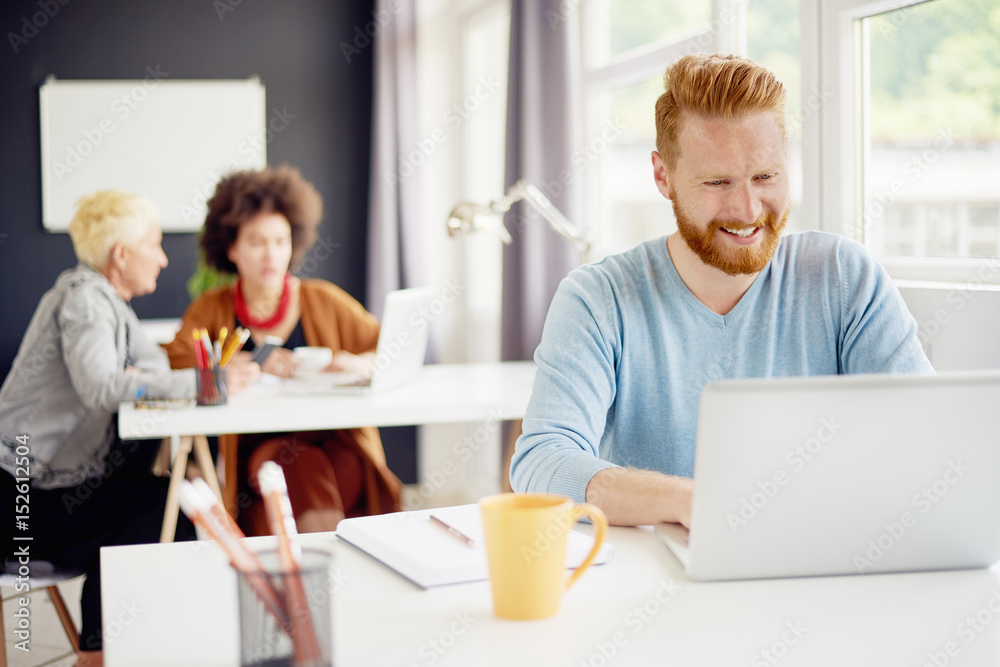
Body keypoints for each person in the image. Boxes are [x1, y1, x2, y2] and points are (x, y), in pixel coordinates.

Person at [509, 53, 933, 529]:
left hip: (824, 561)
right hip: (654, 581)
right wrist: (690, 502)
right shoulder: (597, 298)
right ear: (662, 176)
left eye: (765, 177)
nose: (747, 208)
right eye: (717, 182)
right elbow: (542, 462)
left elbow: (923, 436)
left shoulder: (844, 277)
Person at [0, 191, 256, 666]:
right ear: (121, 254)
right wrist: (208, 381)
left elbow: (152, 364)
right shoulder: (85, 300)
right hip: (19, 498)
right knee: (156, 508)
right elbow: (102, 386)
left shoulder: (109, 303)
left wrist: (148, 379)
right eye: (154, 245)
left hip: (47, 488)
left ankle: (124, 646)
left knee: (155, 501)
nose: (162, 259)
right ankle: (106, 652)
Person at [164, 165, 402, 536]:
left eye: (281, 241)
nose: (271, 255)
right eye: (257, 242)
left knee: (304, 480)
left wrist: (357, 362)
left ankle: (301, 576)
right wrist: (241, 365)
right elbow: (175, 360)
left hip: (338, 447)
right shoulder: (211, 309)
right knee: (299, 464)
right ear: (231, 247)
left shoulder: (323, 299)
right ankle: (327, 577)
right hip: (262, 457)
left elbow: (391, 346)